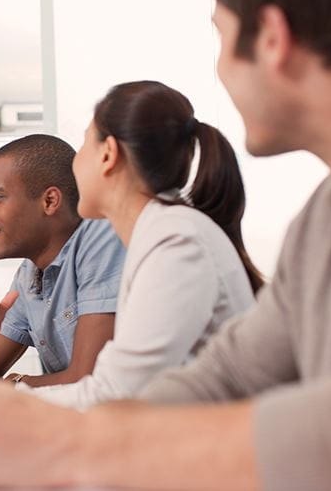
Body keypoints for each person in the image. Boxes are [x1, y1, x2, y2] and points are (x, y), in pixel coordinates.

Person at [0, 0, 331, 489]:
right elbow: (226, 375)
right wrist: (4, 406)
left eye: (221, 36)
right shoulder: (320, 217)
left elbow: (119, 389)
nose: (221, 70)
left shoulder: (174, 242)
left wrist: (43, 422)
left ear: (273, 39)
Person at [22, 80, 262, 408]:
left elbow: (115, 393)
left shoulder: (176, 242)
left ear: (108, 155)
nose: (75, 163)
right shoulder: (162, 232)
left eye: (83, 145)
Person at [0, 135, 125, 388]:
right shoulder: (29, 276)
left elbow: (91, 381)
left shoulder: (102, 238)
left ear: (50, 201)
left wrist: (19, 384)